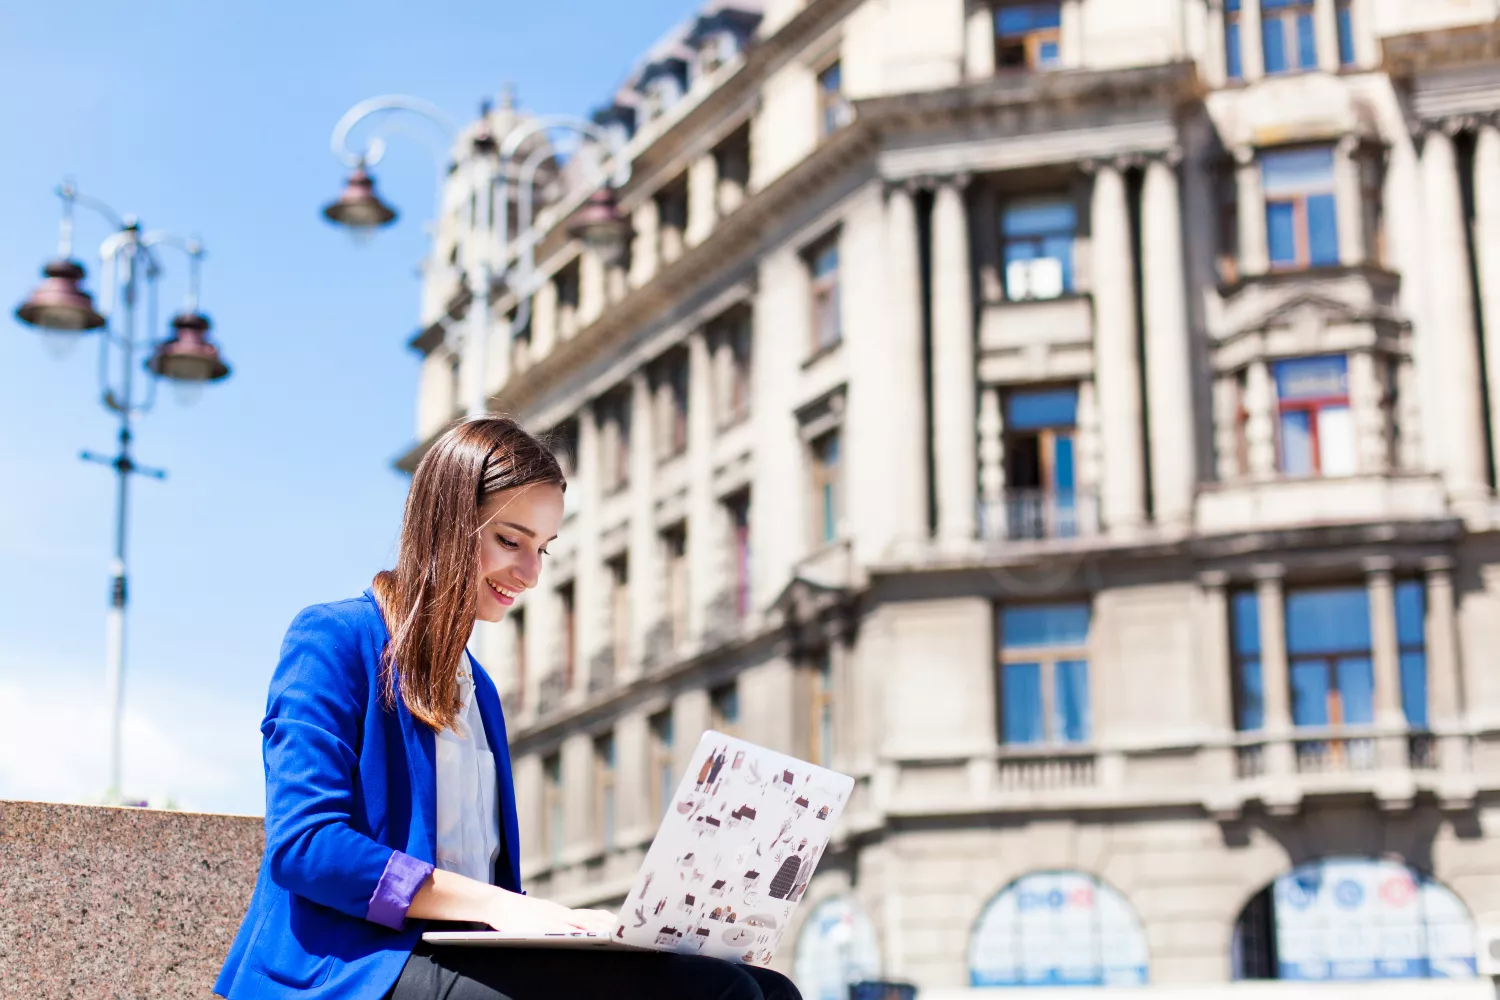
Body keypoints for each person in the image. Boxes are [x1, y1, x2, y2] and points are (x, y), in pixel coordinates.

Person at [214, 417, 802, 1000]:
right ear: (446, 523)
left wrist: (561, 924)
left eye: (543, 548)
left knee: (767, 989)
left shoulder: (481, 692)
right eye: (510, 540)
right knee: (720, 993)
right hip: (353, 967)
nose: (531, 574)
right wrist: (507, 908)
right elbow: (305, 846)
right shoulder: (334, 638)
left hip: (464, 953)